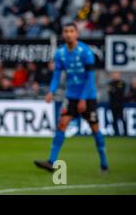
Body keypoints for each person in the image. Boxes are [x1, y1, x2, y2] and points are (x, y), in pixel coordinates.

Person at [34, 23, 109, 173]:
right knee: (62, 125)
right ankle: (51, 162)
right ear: (63, 34)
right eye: (66, 31)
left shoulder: (85, 52)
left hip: (88, 97)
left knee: (95, 129)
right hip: (71, 96)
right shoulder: (60, 53)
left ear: (77, 34)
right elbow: (56, 75)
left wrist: (83, 99)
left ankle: (104, 163)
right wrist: (51, 91)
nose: (68, 34)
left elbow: (90, 78)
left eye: (71, 31)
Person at [108, 72, 127, 136]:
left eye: (116, 75)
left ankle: (125, 132)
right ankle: (115, 132)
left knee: (122, 119)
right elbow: (110, 92)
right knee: (114, 119)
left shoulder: (121, 83)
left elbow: (120, 91)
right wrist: (115, 90)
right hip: (113, 104)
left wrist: (114, 90)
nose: (115, 76)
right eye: (114, 75)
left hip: (120, 104)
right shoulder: (110, 83)